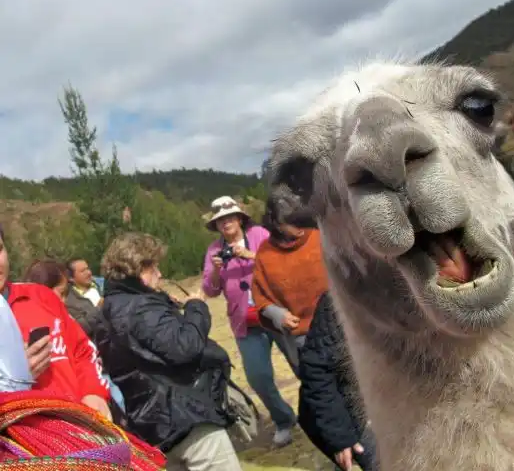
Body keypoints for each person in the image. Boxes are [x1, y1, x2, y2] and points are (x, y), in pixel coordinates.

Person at [96, 231, 242, 471]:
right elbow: (186, 346)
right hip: (185, 415)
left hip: (154, 425)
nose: (160, 273)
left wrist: (163, 304)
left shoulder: (110, 309)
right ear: (139, 268)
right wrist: (196, 307)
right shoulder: (140, 307)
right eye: (154, 267)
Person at [202, 196, 296, 447]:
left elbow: (282, 260)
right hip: (246, 323)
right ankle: (284, 419)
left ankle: (323, 412)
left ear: (240, 218)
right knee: (258, 377)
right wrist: (216, 269)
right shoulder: (213, 250)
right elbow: (210, 290)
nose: (226, 223)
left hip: (278, 313)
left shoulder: (260, 234)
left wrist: (251, 255)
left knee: (303, 365)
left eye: (229, 217)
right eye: (220, 220)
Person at [0, 225, 111, 419]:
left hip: (81, 426)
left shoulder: (40, 296)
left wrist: (93, 392)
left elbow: (82, 350)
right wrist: (13, 377)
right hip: (27, 434)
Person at [298, 291, 377, 471]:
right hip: (351, 411)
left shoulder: (425, 296)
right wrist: (340, 436)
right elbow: (317, 370)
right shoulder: (342, 301)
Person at [251, 196, 329, 374]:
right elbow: (260, 295)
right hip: (303, 339)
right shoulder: (265, 253)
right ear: (277, 225)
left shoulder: (322, 235)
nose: (300, 225)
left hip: (342, 330)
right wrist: (276, 314)